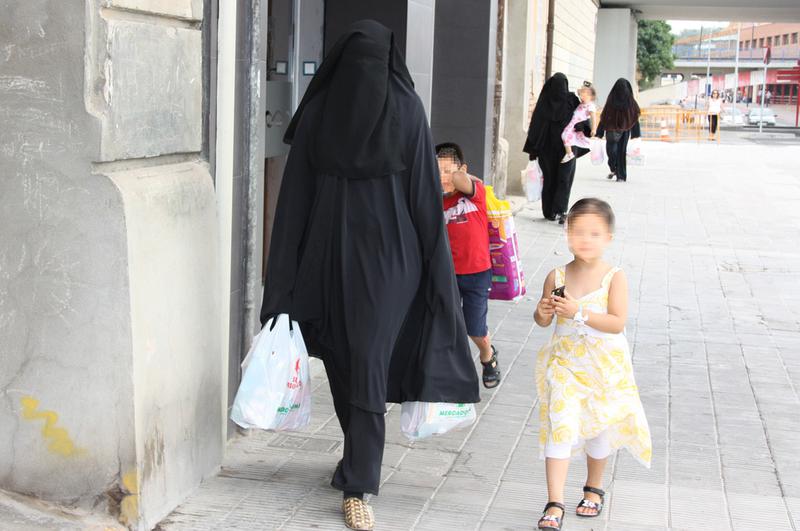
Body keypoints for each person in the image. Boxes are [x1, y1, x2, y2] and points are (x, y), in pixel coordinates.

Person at [259, 20, 480, 531]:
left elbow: (293, 206)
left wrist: (438, 275)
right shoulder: (399, 110)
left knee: (362, 359)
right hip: (375, 260)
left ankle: (359, 481)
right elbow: (423, 200)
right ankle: (356, 455)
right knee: (344, 356)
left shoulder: (330, 113)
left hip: (356, 264)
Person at [533, 198, 651, 531]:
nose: (585, 239)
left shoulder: (614, 277)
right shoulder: (557, 275)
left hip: (604, 367)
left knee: (598, 428)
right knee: (560, 424)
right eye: (578, 231)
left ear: (608, 238)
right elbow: (545, 319)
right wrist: (542, 314)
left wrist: (580, 313)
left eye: (594, 233)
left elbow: (617, 322)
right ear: (567, 234)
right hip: (565, 365)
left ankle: (593, 487)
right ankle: (554, 502)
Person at [436, 142, 501, 389]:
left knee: (474, 327)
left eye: (447, 170)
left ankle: (487, 356)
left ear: (462, 169)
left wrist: (456, 174)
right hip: (447, 275)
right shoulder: (436, 202)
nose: (443, 177)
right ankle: (448, 371)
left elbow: (462, 181)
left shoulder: (476, 192)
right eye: (437, 171)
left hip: (476, 273)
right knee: (445, 325)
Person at [524, 73, 589, 224]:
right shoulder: (571, 100)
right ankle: (560, 211)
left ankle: (549, 211)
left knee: (549, 179)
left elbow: (535, 128)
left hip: (547, 150)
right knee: (564, 179)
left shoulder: (544, 102)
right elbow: (581, 121)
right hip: (568, 150)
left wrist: (533, 151)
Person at [596, 78, 641, 183]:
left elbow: (634, 117)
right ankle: (614, 168)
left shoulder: (629, 101)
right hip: (612, 129)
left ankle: (621, 175)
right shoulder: (611, 100)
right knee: (612, 152)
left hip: (624, 130)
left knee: (620, 152)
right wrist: (599, 132)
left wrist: (636, 133)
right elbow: (605, 115)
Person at [560, 81, 598, 164]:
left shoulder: (590, 105)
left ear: (591, 96)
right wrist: (582, 89)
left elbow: (593, 118)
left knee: (565, 135)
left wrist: (594, 128)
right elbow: (579, 92)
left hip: (577, 124)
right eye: (582, 93)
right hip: (573, 124)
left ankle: (569, 153)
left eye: (585, 93)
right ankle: (570, 152)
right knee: (568, 136)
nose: (582, 95)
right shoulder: (582, 103)